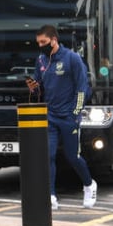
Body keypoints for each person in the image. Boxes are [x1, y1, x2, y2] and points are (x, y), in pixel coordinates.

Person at [25, 25, 97, 210]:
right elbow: (39, 86)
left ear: (54, 40)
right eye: (38, 43)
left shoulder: (72, 58)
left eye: (44, 42)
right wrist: (33, 86)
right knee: (48, 156)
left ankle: (89, 185)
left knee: (73, 157)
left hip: (69, 117)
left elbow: (83, 88)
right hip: (50, 116)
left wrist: (75, 113)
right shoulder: (41, 59)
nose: (41, 46)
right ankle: (51, 195)